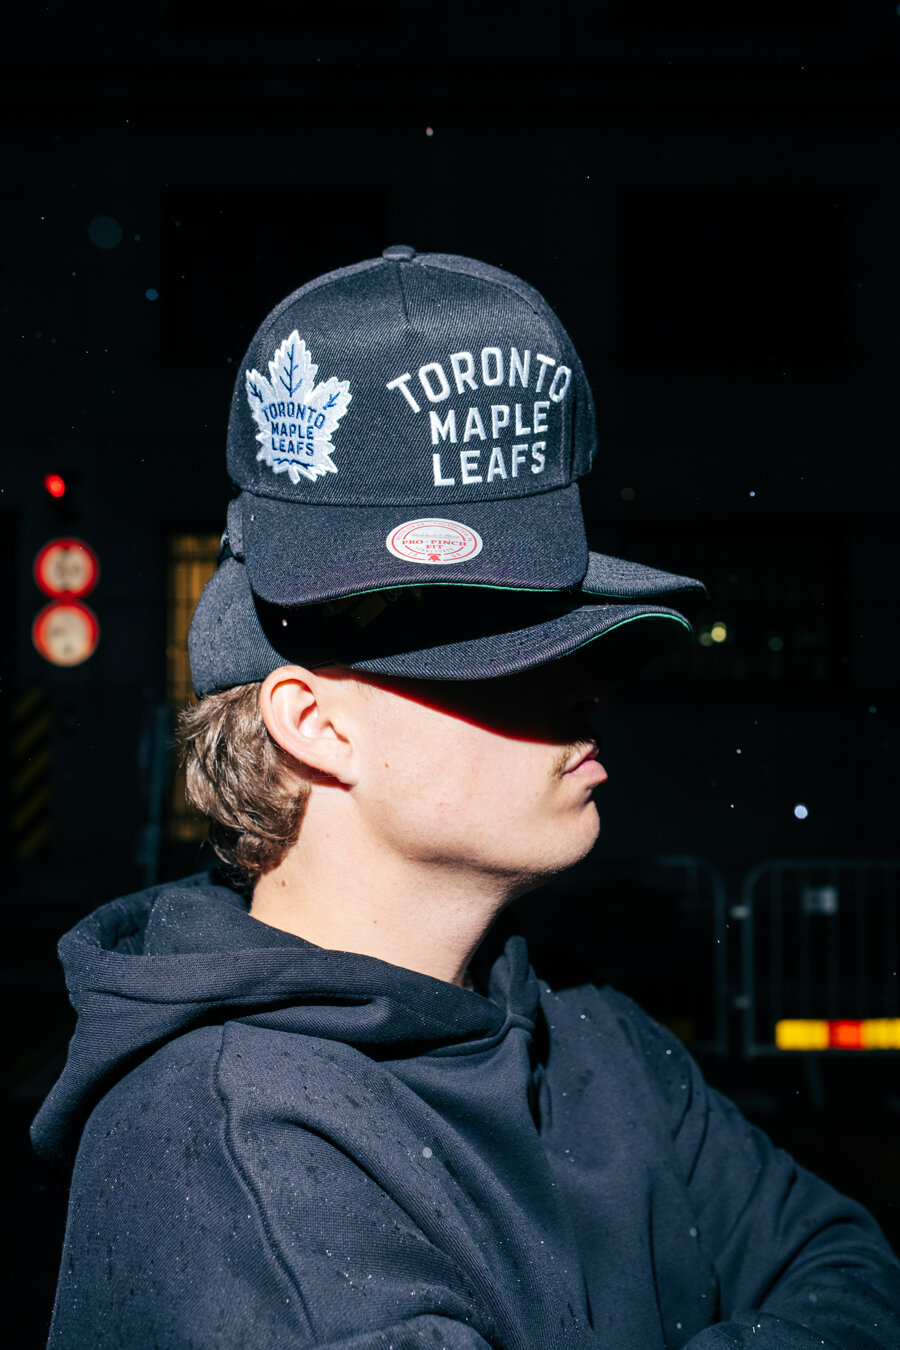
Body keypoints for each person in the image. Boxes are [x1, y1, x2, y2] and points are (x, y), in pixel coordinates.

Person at [33, 247, 900, 1348]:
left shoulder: (589, 1028)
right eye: (502, 652)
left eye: (577, 644)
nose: (583, 691)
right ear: (317, 726)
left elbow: (849, 1266)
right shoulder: (229, 1150)